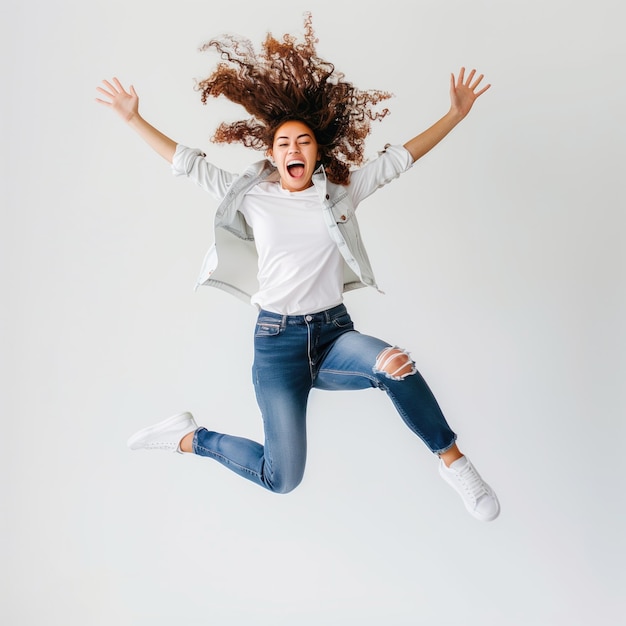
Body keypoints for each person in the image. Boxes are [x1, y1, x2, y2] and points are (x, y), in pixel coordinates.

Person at [96, 14, 500, 521]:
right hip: (277, 347)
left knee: (395, 365)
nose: (294, 149)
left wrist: (455, 115)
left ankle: (455, 463)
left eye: (304, 142)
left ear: (317, 152)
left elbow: (398, 160)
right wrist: (133, 118)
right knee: (282, 478)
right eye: (284, 143)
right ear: (271, 153)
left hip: (333, 335)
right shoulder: (254, 197)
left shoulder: (340, 193)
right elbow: (189, 164)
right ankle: (189, 438)